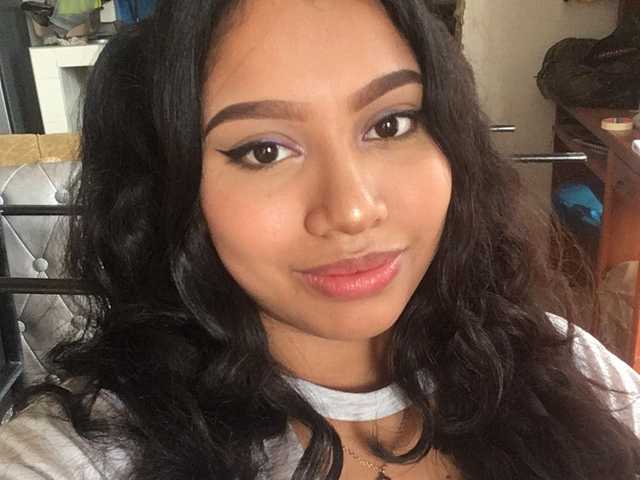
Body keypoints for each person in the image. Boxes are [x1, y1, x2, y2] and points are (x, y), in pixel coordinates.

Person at [1, 0, 640, 479]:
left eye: (390, 124)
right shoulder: (87, 453)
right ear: (169, 187)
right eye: (264, 150)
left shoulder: (564, 364)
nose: (353, 210)